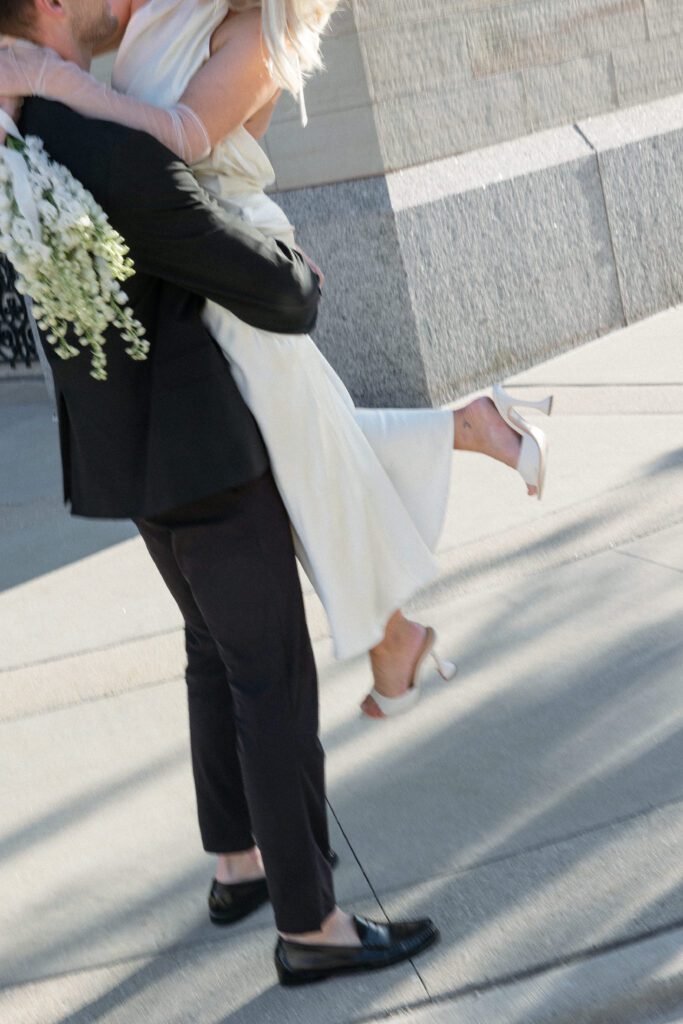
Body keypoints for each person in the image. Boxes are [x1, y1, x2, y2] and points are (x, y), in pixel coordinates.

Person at [0, 0, 443, 985]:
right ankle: (311, 923)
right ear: (48, 8)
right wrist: (297, 278)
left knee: (212, 650)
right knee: (267, 676)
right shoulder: (89, 128)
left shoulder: (17, 126)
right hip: (198, 443)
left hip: (126, 446)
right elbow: (223, 257)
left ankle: (238, 862)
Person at [0, 0, 553, 720]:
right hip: (189, 253)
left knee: (291, 461)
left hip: (232, 256)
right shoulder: (162, 9)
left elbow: (186, 139)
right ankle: (445, 487)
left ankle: (398, 624)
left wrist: (50, 78)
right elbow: (72, 26)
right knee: (296, 452)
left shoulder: (260, 32)